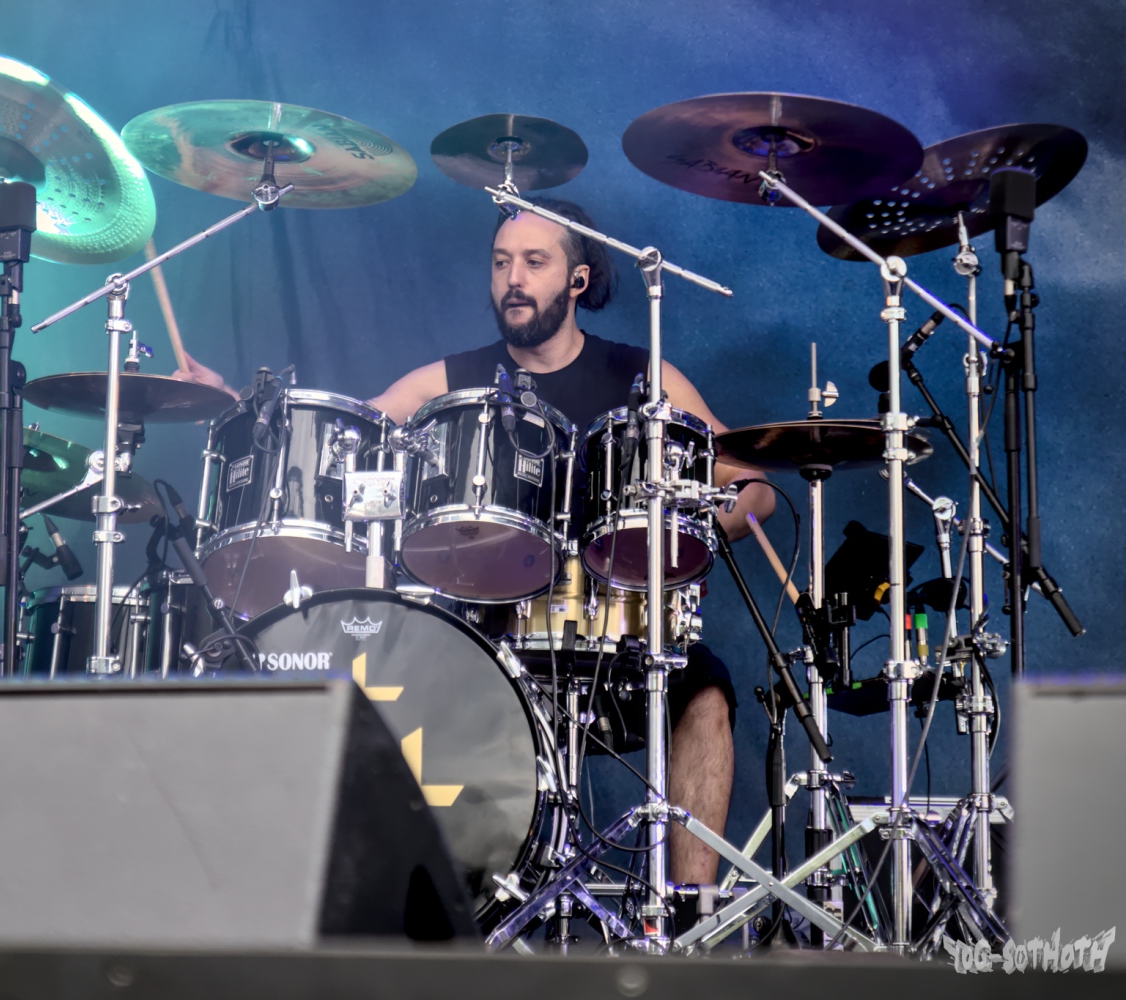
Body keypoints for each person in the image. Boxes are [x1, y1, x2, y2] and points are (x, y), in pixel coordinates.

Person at [175, 200, 776, 889]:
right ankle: (446, 908)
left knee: (705, 692)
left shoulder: (641, 376)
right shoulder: (451, 382)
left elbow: (752, 486)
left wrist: (690, 531)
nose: (512, 279)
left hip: (615, 636)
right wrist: (235, 406)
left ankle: (690, 911)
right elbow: (338, 439)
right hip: (483, 639)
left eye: (534, 262)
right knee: (394, 678)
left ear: (577, 279)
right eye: (500, 263)